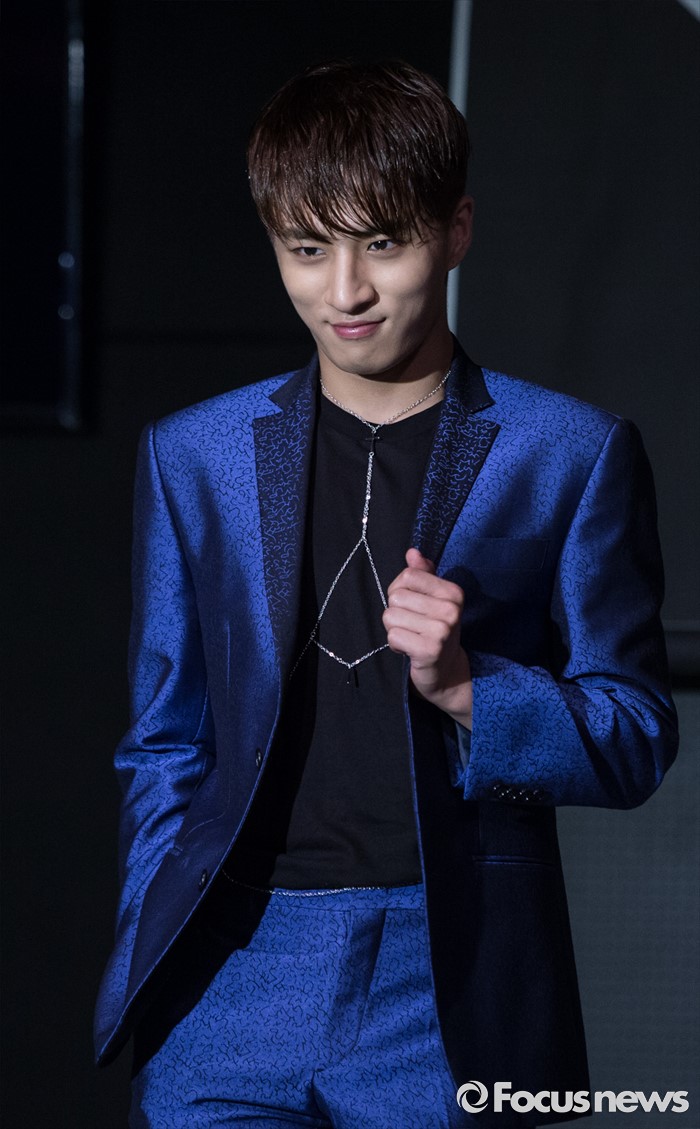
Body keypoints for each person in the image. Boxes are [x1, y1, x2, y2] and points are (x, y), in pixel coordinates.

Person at [94, 60, 678, 1128]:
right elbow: (165, 735)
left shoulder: (569, 452)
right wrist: (156, 907)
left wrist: (470, 688)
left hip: (444, 977)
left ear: (455, 231)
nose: (345, 292)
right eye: (307, 249)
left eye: (383, 243)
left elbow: (636, 731)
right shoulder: (195, 454)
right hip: (230, 969)